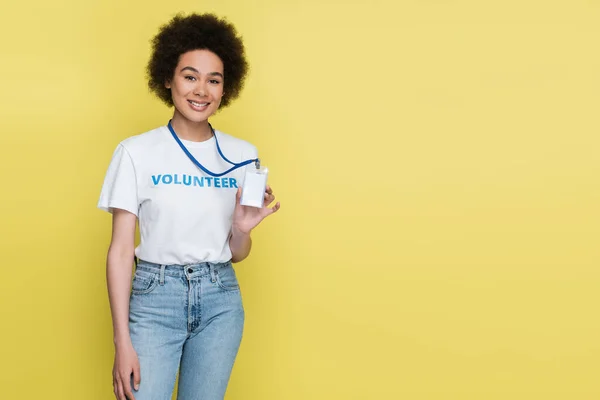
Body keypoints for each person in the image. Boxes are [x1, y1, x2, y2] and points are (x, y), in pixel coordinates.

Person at [98, 13, 280, 400]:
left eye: (214, 80)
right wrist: (121, 341)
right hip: (153, 301)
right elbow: (118, 251)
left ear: (224, 88)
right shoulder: (135, 152)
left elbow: (237, 254)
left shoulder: (243, 156)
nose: (202, 90)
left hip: (220, 302)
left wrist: (243, 230)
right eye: (190, 76)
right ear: (168, 77)